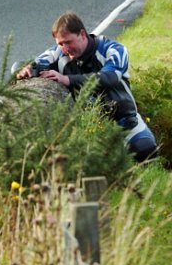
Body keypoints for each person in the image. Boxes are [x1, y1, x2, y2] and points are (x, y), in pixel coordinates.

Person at [16, 11, 157, 162]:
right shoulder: (58, 51)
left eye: (68, 42)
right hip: (87, 126)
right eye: (60, 43)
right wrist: (28, 69)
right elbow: (38, 63)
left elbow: (109, 78)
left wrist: (66, 79)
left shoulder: (114, 49)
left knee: (146, 149)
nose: (65, 48)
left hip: (124, 120)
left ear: (82, 34)